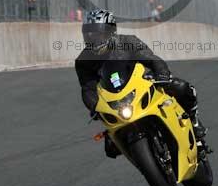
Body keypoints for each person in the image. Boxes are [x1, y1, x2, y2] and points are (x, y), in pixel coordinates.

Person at [75, 9, 206, 157]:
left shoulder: (128, 42)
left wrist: (162, 73)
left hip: (143, 83)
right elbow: (87, 88)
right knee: (111, 145)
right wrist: (95, 106)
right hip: (115, 100)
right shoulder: (83, 61)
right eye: (89, 34)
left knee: (182, 87)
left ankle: (194, 121)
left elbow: (151, 58)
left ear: (111, 32)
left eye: (98, 34)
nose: (93, 38)